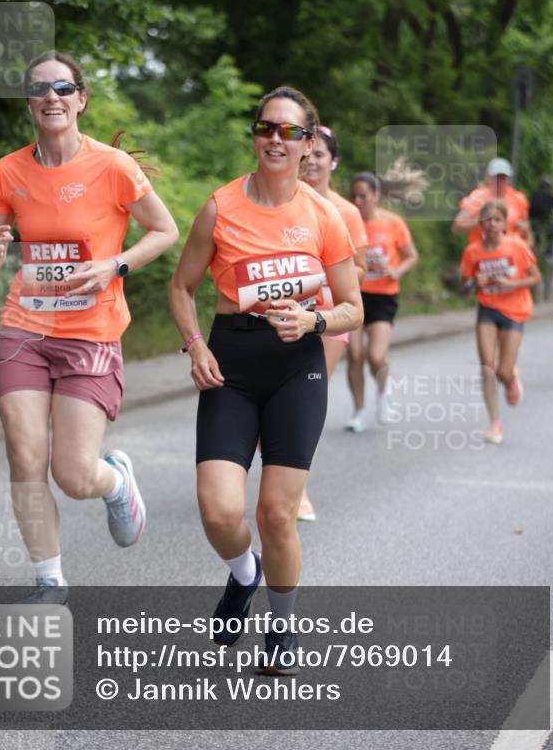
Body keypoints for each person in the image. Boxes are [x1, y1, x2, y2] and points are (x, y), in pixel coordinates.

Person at [168, 86, 363, 675]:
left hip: (296, 362)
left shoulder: (324, 215)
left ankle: (281, 626)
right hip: (231, 358)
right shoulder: (220, 207)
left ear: (309, 144)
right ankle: (244, 573)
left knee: (278, 513)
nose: (276, 139)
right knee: (219, 510)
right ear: (256, 136)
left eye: (290, 131)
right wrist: (195, 344)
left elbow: (354, 306)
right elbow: (181, 288)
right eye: (266, 128)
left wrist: (315, 318)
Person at [0, 51, 178, 601]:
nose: (52, 98)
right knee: (24, 453)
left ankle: (114, 481)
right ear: (29, 104)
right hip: (24, 324)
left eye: (63, 88)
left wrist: (115, 265)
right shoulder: (8, 171)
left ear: (81, 99)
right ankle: (49, 581)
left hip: (90, 331)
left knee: (74, 475)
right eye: (40, 89)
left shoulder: (113, 166)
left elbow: (165, 231)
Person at [296, 124, 367, 520]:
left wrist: (322, 277)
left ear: (332, 161)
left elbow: (360, 271)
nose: (312, 161)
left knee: (306, 403)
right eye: (308, 153)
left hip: (329, 319)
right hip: (283, 317)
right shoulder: (281, 202)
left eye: (321, 154)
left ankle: (298, 490)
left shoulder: (346, 212)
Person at [459, 200, 540, 443]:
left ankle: (511, 378)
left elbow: (536, 279)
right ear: (480, 224)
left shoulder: (516, 246)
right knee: (486, 366)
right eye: (487, 220)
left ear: (505, 223)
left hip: (515, 310)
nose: (492, 224)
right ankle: (494, 423)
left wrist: (510, 284)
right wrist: (475, 283)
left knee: (503, 370)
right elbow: (463, 287)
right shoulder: (473, 251)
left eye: (497, 220)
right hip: (487, 309)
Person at [345, 172, 418, 432]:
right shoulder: (347, 223)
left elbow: (411, 256)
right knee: (354, 355)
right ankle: (358, 411)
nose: (358, 201)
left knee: (376, 356)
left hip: (384, 297)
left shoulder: (393, 223)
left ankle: (384, 394)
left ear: (376, 196)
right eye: (354, 196)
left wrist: (396, 271)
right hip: (354, 294)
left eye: (363, 196)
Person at [452, 157, 531, 247]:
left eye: (503, 177)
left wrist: (526, 230)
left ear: (509, 179)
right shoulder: (478, 197)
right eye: (497, 177)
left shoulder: (518, 199)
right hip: (483, 255)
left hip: (510, 255)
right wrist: (481, 220)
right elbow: (456, 228)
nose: (500, 181)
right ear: (488, 178)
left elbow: (528, 234)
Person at [529, 176, 553, 260]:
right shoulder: (551, 196)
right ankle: (549, 255)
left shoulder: (534, 194)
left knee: (536, 239)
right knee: (552, 234)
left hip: (533, 222)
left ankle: (534, 257)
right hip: (545, 221)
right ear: (549, 187)